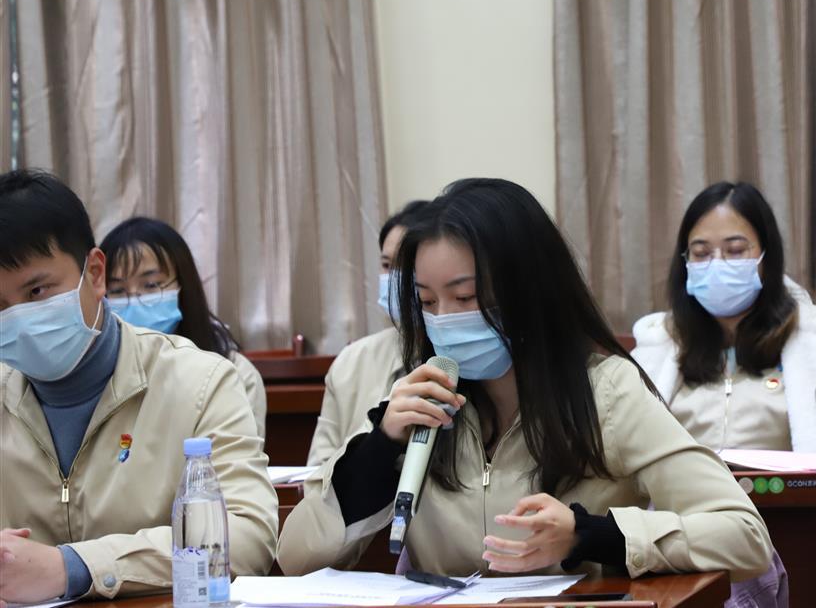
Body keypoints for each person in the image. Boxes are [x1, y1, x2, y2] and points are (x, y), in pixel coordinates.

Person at [277, 178, 772, 581]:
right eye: (427, 302)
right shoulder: (420, 398)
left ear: (529, 292)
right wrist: (381, 445)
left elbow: (744, 535)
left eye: (466, 298)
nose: (444, 320)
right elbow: (295, 557)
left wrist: (589, 536)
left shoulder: (607, 391)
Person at [0, 170, 277, 602]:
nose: (16, 318)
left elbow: (245, 535)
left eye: (37, 291)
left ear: (95, 274)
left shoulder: (200, 382)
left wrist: (74, 567)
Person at [631, 181, 816, 455]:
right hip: (683, 485)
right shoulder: (658, 349)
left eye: (735, 250)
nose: (717, 264)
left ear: (766, 257)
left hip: (787, 484)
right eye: (701, 253)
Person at [99, 217, 267, 438]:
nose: (134, 300)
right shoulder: (96, 378)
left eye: (151, 285)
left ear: (183, 285)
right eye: (117, 291)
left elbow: (235, 455)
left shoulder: (234, 372)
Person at [308, 200, 429, 465]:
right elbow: (317, 474)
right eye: (387, 265)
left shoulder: (466, 360)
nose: (395, 278)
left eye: (408, 265)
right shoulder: (352, 361)